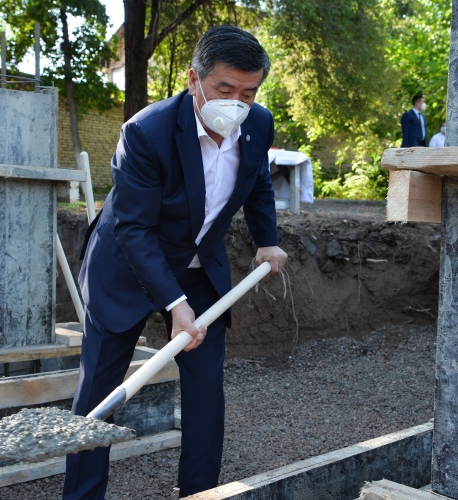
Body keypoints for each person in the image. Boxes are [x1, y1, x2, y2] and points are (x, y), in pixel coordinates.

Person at [62, 25, 288, 499]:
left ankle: (198, 493)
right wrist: (173, 303)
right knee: (99, 391)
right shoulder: (147, 132)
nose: (237, 103)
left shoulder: (259, 124)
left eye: (249, 93)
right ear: (193, 79)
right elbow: (134, 229)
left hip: (198, 264)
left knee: (206, 388)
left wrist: (267, 241)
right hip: (124, 265)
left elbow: (257, 182)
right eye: (225, 89)